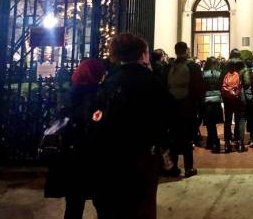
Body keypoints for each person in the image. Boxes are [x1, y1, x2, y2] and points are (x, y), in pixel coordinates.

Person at [93, 33, 173, 219]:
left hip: (112, 154)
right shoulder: (149, 80)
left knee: (116, 206)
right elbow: (168, 112)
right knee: (142, 206)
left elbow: (97, 117)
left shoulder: (110, 81)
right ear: (142, 54)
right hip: (141, 154)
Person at [44, 58, 107, 219]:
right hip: (94, 154)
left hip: (71, 155)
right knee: (102, 203)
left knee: (73, 204)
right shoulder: (100, 95)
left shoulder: (70, 94)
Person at [166, 41, 204, 177]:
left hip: (172, 107)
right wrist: (199, 105)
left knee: (173, 138)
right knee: (187, 138)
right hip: (188, 106)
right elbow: (199, 88)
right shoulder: (193, 67)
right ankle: (188, 167)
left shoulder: (169, 66)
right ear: (186, 51)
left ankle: (173, 166)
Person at [221, 49, 249, 153]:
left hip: (227, 96)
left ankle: (227, 144)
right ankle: (240, 143)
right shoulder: (243, 65)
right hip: (239, 95)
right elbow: (247, 83)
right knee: (240, 119)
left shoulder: (225, 65)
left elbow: (221, 81)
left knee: (227, 120)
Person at [201, 57, 224, 153]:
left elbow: (202, 87)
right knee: (213, 122)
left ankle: (214, 141)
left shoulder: (204, 74)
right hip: (217, 100)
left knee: (209, 123)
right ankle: (211, 141)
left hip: (207, 100)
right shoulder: (219, 74)